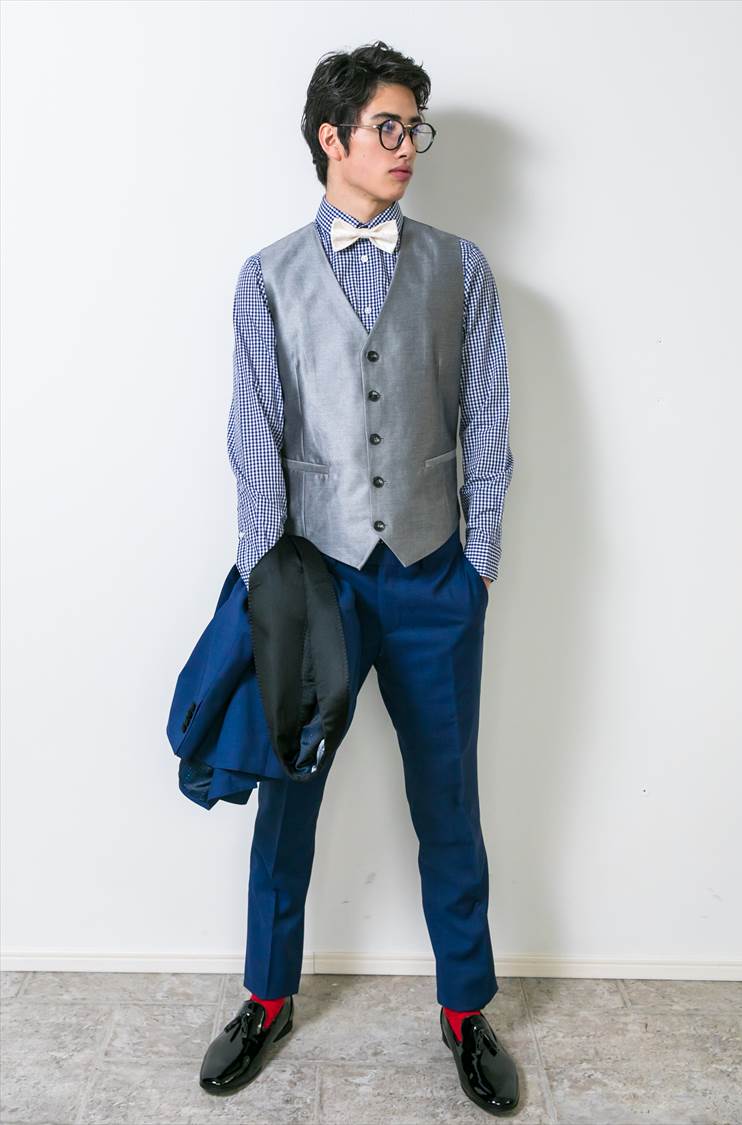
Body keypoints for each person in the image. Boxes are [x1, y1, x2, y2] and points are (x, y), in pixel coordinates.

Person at [199, 40, 519, 1116]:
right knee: (287, 801)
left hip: (434, 580)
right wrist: (267, 587)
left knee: (449, 802)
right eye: (388, 125)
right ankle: (267, 996)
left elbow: (488, 422)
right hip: (316, 583)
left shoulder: (461, 268)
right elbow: (255, 442)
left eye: (414, 126)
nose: (407, 145)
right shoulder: (266, 277)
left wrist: (478, 566)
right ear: (331, 138)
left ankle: (467, 1011)